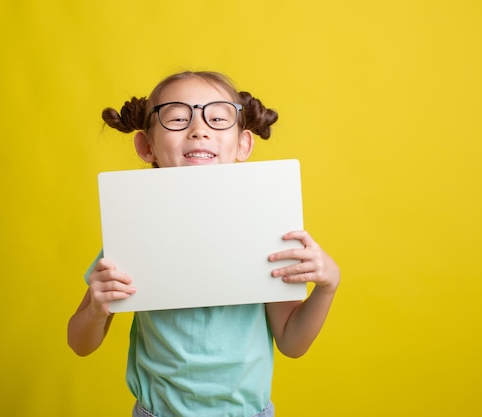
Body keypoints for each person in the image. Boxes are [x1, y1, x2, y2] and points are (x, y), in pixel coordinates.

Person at [67, 71, 340, 417]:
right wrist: (96, 308)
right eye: (179, 118)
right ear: (146, 145)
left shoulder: (265, 229)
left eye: (218, 118)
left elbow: (292, 342)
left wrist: (327, 286)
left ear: (243, 145)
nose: (199, 129)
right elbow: (80, 343)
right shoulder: (133, 231)